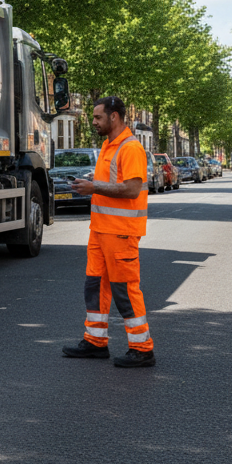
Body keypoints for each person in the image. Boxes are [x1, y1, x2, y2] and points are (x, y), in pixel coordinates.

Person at [63, 96, 154, 367]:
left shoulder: (130, 148)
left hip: (121, 233)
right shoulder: (107, 146)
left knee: (124, 290)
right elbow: (110, 184)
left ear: (114, 117)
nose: (94, 122)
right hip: (100, 231)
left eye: (98, 117)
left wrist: (94, 188)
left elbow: (132, 189)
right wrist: (91, 184)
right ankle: (95, 341)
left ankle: (142, 348)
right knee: (95, 287)